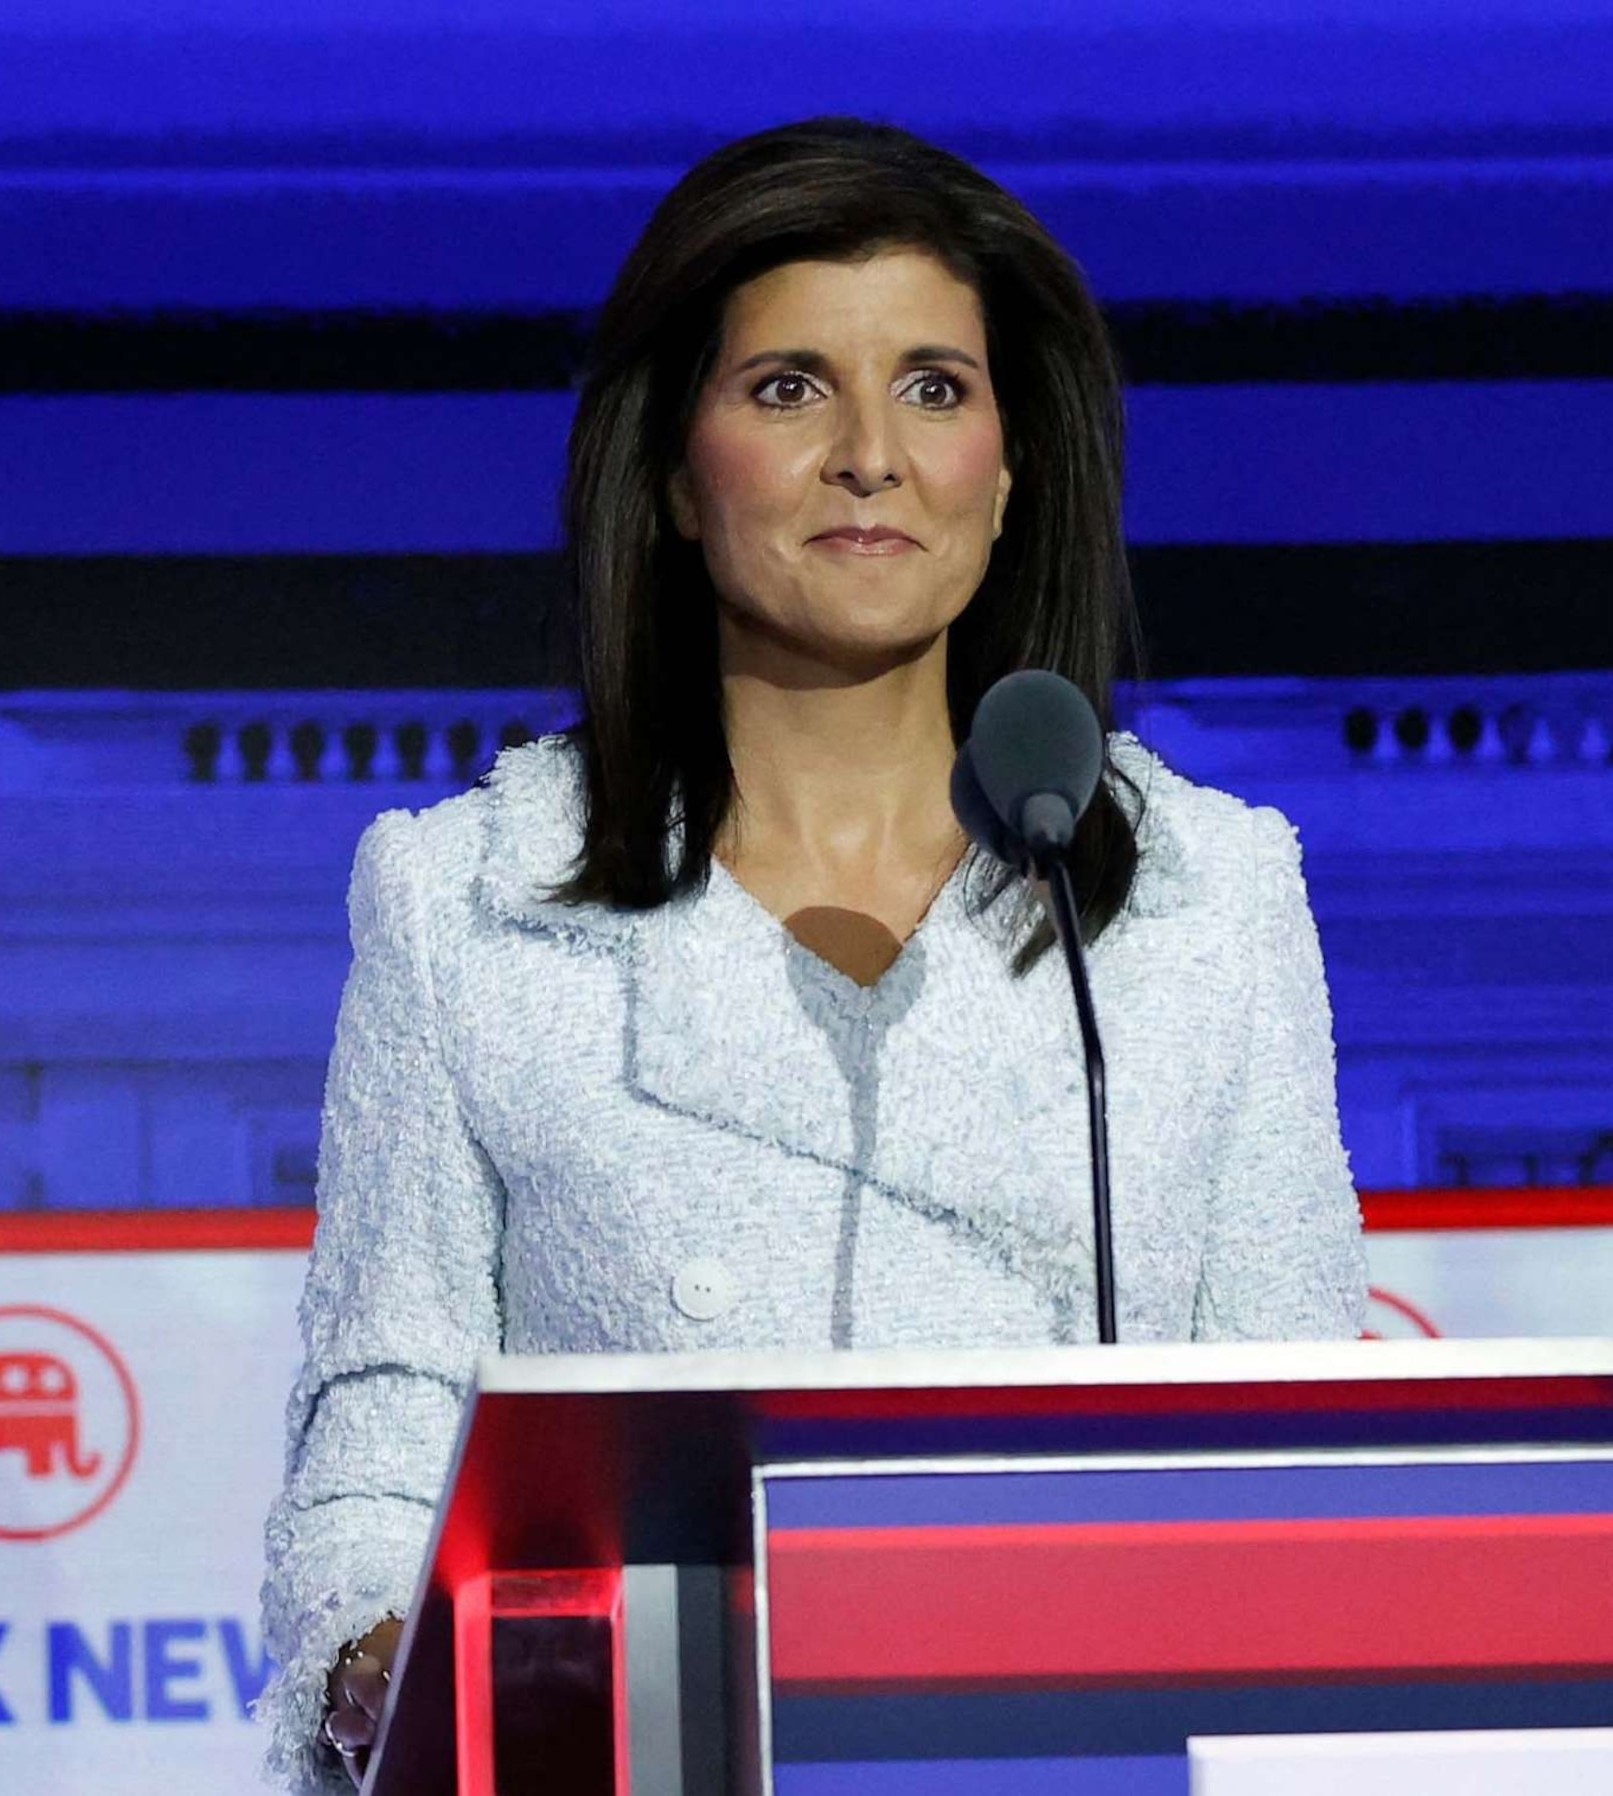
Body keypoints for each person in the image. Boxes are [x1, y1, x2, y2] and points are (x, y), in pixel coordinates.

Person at [256, 117, 1367, 1792]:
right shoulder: (469, 898)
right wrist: (384, 1660)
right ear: (674, 479)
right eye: (787, 390)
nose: (871, 455)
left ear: (1012, 471)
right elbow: (383, 1431)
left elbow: (1301, 1440)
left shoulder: (1208, 894)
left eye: (934, 388)